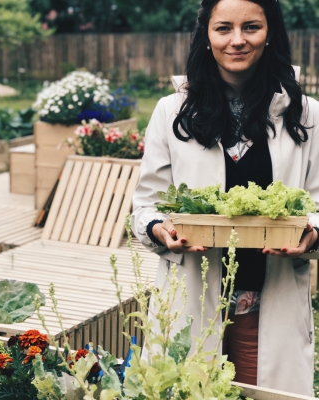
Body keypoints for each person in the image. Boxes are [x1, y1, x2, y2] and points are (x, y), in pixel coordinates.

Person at [130, 0, 319, 395]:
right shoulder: (170, 112)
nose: (237, 40)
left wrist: (311, 232)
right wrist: (157, 228)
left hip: (270, 301)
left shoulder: (307, 115)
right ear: (207, 36)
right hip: (190, 300)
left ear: (271, 34)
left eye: (251, 27)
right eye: (223, 29)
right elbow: (146, 205)